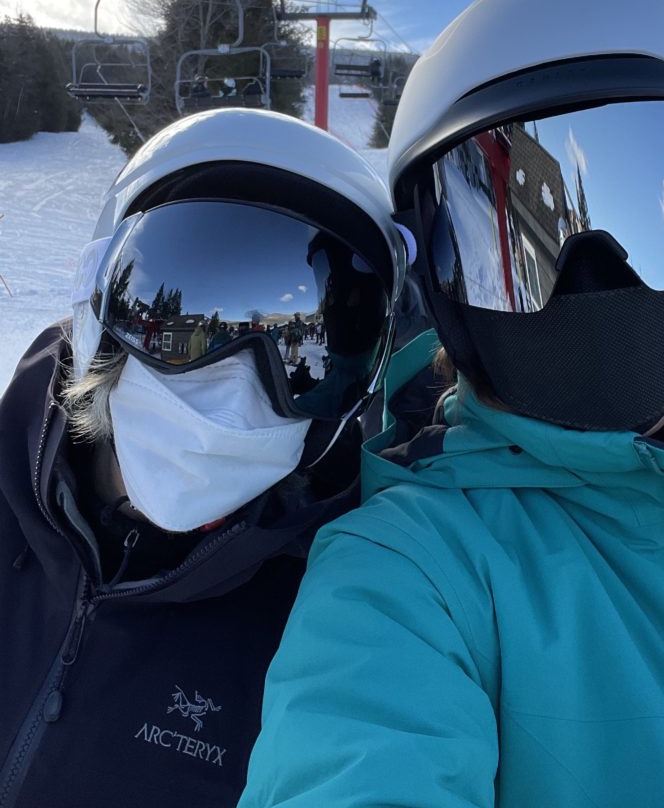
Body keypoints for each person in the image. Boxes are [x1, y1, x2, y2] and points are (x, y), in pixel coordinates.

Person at [241, 0, 664, 807]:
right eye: (522, 259)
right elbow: (357, 751)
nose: (598, 282)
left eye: (663, 221)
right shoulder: (419, 564)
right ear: (447, 298)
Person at [0, 106, 408, 808]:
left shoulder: (327, 627)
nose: (236, 389)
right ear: (98, 304)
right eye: (195, 326)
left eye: (302, 352)